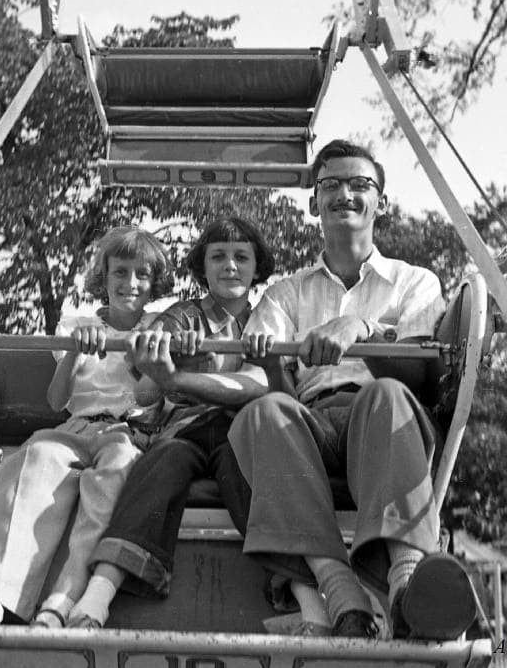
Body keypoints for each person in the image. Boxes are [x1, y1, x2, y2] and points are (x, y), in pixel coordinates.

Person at [227, 138, 477, 639]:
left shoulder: (414, 283)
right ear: (314, 201)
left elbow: (418, 379)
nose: (346, 193)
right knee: (263, 413)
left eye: (360, 184)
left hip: (382, 420)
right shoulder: (286, 294)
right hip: (311, 421)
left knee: (383, 396)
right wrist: (268, 366)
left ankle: (407, 580)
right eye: (331, 184)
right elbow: (262, 382)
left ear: (380, 201)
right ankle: (339, 588)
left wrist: (360, 328)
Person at [67, 217, 332, 629]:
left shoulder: (270, 320)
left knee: (252, 479)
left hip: (241, 434)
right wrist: (162, 360)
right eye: (218, 257)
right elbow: (144, 387)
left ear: (256, 267)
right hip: (185, 429)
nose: (230, 266)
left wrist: (189, 376)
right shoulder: (183, 317)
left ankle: (306, 601)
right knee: (161, 462)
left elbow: (271, 393)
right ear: (202, 268)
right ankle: (100, 592)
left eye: (241, 257)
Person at [0, 226, 174, 628]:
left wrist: (144, 359)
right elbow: (56, 401)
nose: (130, 283)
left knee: (114, 477)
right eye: (120, 272)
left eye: (141, 274)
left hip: (126, 432)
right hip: (76, 427)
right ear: (103, 276)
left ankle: (61, 600)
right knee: (34, 457)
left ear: (154, 282)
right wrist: (72, 353)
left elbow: (147, 398)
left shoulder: (159, 326)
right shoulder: (77, 324)